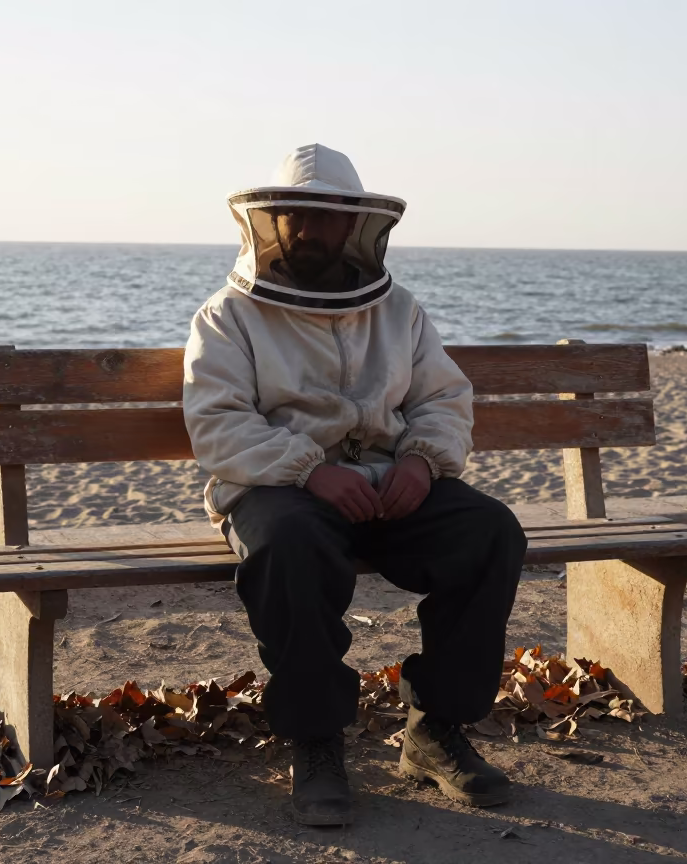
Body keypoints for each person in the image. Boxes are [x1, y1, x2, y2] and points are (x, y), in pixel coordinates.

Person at [182, 144, 527, 826]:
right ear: (272, 221)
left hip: (390, 487)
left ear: (356, 226)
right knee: (289, 547)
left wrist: (421, 463)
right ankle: (316, 742)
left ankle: (436, 732)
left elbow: (444, 400)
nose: (313, 231)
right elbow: (217, 426)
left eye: (330, 217)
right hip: (277, 489)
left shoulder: (398, 311)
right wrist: (311, 470)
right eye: (298, 217)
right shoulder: (228, 315)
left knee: (490, 533)